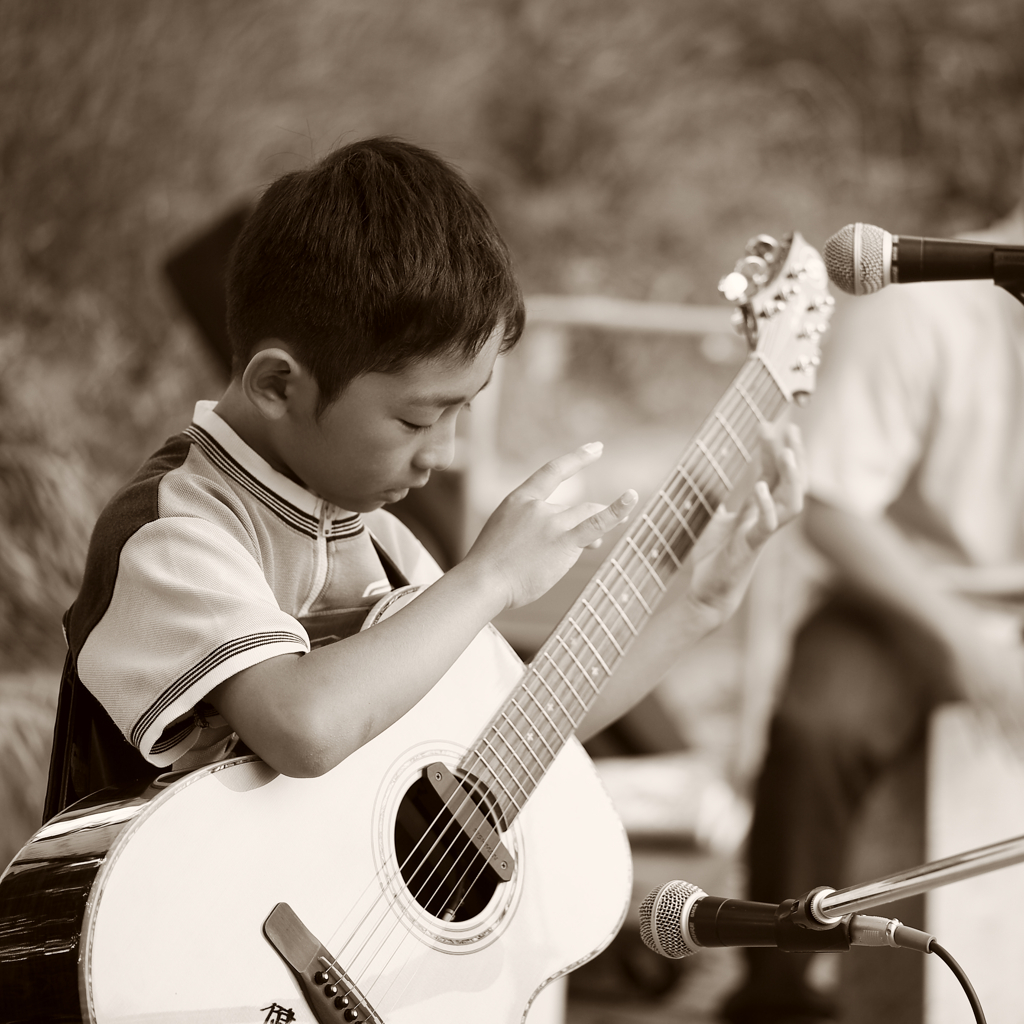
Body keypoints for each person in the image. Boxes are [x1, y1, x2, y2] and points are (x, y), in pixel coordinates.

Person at [52, 136, 803, 812]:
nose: (440, 451)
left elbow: (510, 733)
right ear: (279, 385)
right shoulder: (176, 529)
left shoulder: (380, 542)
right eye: (416, 420)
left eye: (463, 412)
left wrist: (695, 608)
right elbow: (304, 727)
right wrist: (486, 580)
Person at [721, 195, 1024, 1024]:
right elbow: (832, 506)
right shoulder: (924, 302)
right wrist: (964, 641)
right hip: (906, 599)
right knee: (817, 729)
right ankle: (783, 992)